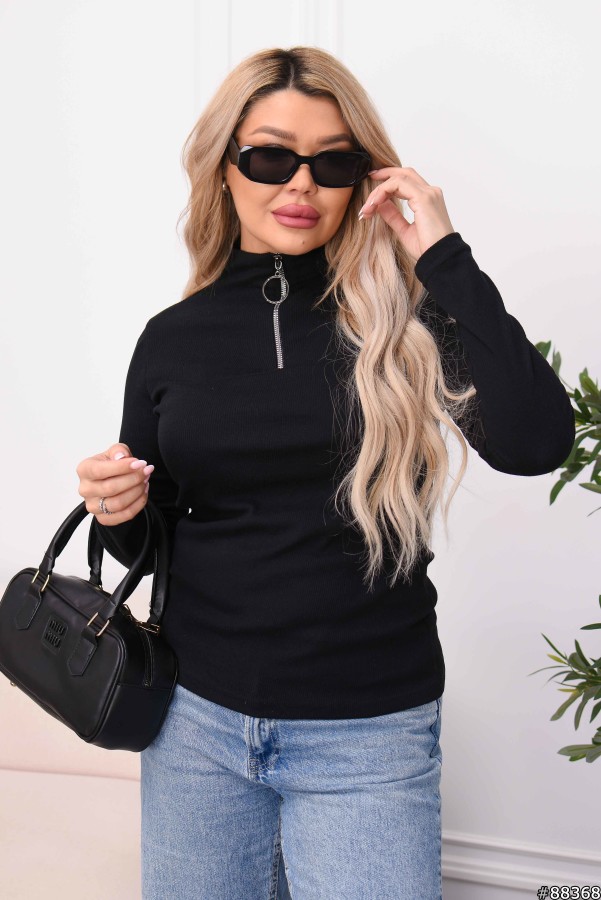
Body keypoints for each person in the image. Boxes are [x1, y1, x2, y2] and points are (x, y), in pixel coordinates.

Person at [75, 46, 575, 900]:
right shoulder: (172, 339)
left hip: (367, 733)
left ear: (361, 179)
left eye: (332, 163)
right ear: (224, 167)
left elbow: (536, 443)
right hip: (195, 726)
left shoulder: (407, 319)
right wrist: (117, 509)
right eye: (271, 157)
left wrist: (442, 255)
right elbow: (148, 547)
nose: (301, 184)